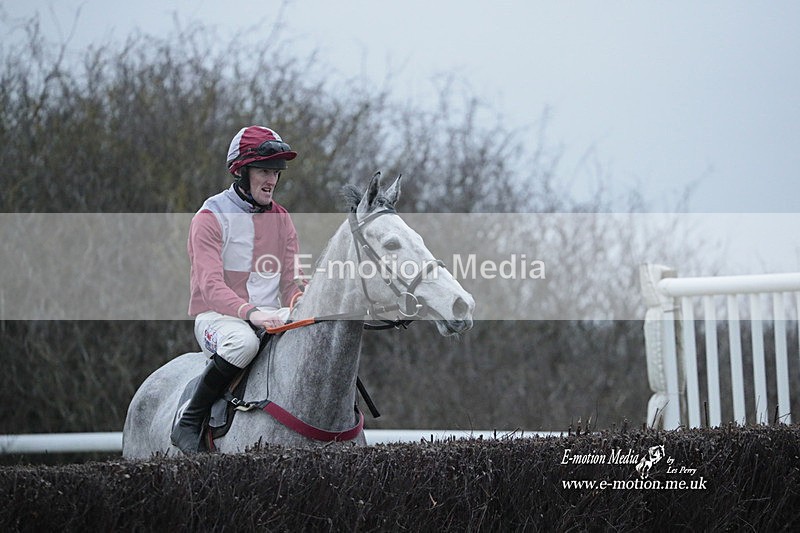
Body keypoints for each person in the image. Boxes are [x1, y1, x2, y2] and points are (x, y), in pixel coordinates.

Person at [171, 125, 305, 454]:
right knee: (244, 343)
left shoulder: (282, 218)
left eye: (276, 171)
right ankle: (190, 419)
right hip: (218, 318)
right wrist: (251, 313)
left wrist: (301, 301)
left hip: (269, 315)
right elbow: (210, 286)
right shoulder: (210, 216)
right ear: (241, 171)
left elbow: (291, 282)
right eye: (264, 171)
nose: (272, 179)